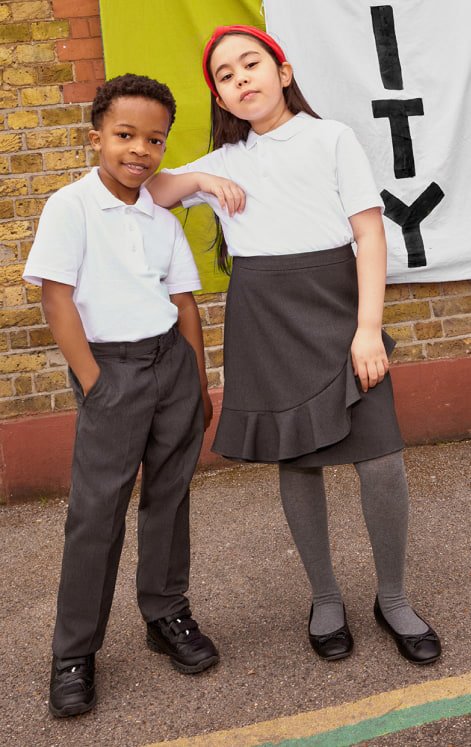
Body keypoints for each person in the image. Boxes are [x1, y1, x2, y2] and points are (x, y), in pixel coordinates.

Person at [146, 26, 442, 665]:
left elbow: (370, 237)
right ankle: (325, 597)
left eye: (250, 64)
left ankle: (392, 598)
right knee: (298, 462)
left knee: (382, 460)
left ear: (282, 72)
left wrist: (367, 330)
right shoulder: (225, 162)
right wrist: (200, 182)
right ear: (221, 100)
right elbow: (150, 189)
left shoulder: (331, 138)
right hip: (265, 319)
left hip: (339, 313)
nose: (240, 78)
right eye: (225, 76)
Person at [22, 73, 232, 718]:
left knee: (169, 499)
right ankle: (74, 652)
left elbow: (183, 301)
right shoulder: (72, 207)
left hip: (170, 364)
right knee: (97, 515)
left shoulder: (159, 216)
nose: (140, 150)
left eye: (155, 140)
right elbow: (55, 294)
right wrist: (92, 380)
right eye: (125, 135)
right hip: (110, 371)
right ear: (97, 138)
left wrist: (196, 379)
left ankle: (166, 615)